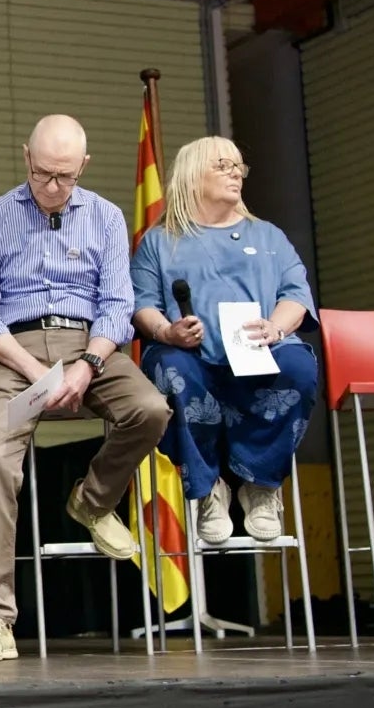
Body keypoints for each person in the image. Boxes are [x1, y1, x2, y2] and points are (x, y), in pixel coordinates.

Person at [0, 114, 170, 662]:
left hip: (90, 346)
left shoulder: (103, 217)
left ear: (84, 167)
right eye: (45, 173)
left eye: (66, 176)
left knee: (150, 409)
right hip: (15, 354)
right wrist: (39, 373)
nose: (53, 187)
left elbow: (118, 305)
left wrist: (88, 366)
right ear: (26, 157)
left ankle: (93, 500)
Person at [130, 136, 318, 544]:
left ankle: (261, 486)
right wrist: (167, 332)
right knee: (169, 366)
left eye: (239, 167)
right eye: (223, 165)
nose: (236, 173)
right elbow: (142, 304)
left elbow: (296, 295)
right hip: (193, 357)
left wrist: (277, 328)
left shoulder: (268, 236)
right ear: (193, 175)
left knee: (299, 364)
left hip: (258, 352)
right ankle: (210, 486)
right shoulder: (160, 242)